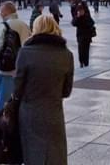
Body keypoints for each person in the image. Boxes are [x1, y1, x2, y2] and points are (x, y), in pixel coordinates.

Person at [13, 14, 74, 165]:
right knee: (55, 153)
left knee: (32, 152)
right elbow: (66, 91)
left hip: (30, 112)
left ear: (35, 29)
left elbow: (17, 89)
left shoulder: (25, 53)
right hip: (54, 112)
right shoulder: (67, 55)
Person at [0, 1, 31, 112]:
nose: (0, 13)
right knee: (18, 98)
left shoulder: (5, 25)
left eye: (1, 11)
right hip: (21, 67)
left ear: (6, 12)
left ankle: (3, 122)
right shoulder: (24, 24)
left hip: (7, 67)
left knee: (4, 98)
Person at [71, 3, 96, 68]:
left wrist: (86, 20)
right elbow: (73, 23)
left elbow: (92, 23)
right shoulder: (77, 17)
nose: (80, 12)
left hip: (87, 35)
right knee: (81, 49)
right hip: (80, 35)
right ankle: (81, 62)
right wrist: (78, 17)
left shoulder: (87, 16)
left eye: (82, 10)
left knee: (86, 50)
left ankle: (86, 62)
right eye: (79, 11)